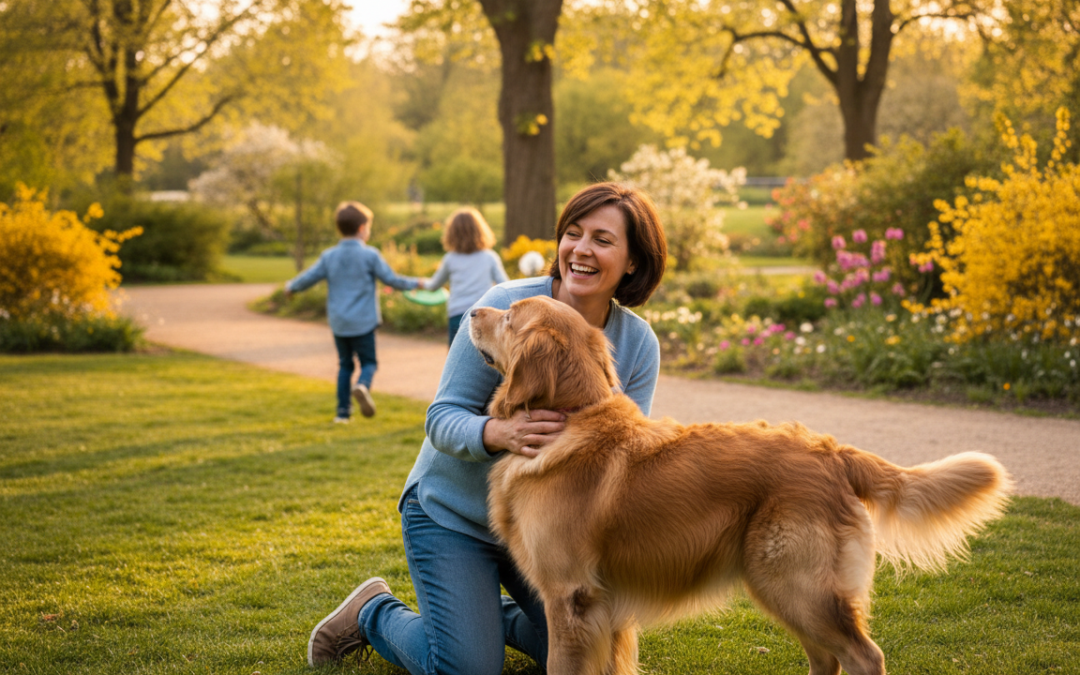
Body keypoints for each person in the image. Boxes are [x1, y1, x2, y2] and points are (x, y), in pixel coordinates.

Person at [306, 183, 668, 674]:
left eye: (602, 240)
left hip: (549, 531)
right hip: (453, 516)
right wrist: (499, 434)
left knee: (592, 656)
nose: (581, 250)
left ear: (632, 261)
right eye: (573, 234)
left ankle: (478, 619)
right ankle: (372, 612)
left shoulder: (636, 343)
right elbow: (441, 417)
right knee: (468, 668)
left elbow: (621, 454)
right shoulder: (503, 311)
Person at [285, 201, 425, 423]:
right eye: (368, 227)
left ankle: (342, 414)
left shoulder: (329, 256)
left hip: (340, 322)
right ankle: (363, 385)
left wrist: (291, 287)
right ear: (362, 229)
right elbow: (391, 280)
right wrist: (417, 283)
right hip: (364, 322)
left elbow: (309, 277)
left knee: (345, 365)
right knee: (369, 363)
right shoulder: (370, 255)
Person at [423, 208, 509, 346]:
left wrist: (420, 284)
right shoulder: (490, 257)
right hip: (483, 316)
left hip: (457, 316)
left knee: (456, 364)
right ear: (480, 230)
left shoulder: (450, 259)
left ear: (452, 233)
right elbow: (505, 285)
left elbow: (433, 285)